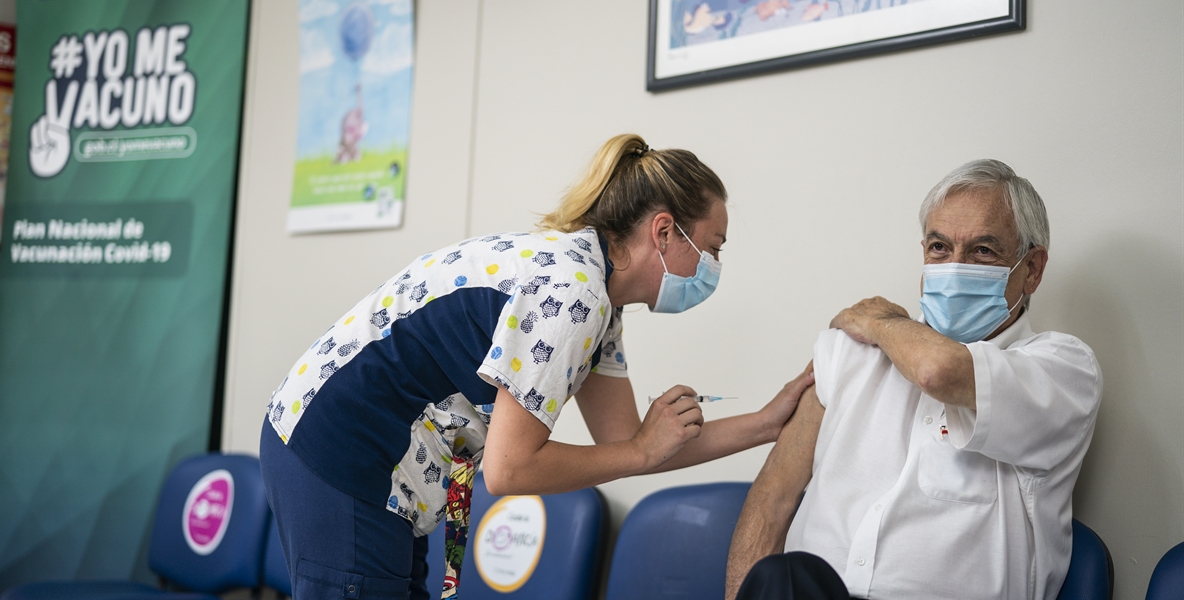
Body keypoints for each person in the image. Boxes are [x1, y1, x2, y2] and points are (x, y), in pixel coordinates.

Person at [260, 133, 815, 600]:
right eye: (712, 247)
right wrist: (641, 450)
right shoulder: (574, 291)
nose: (714, 266)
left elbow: (627, 442)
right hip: (338, 447)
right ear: (665, 232)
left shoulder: (597, 296)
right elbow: (511, 471)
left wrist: (766, 423)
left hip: (373, 461)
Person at [725, 159, 1103, 600]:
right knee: (784, 576)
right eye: (940, 247)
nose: (954, 267)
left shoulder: (1063, 370)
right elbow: (772, 499)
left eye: (983, 251)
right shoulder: (850, 352)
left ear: (1032, 269)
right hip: (814, 592)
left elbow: (938, 371)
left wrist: (881, 321)